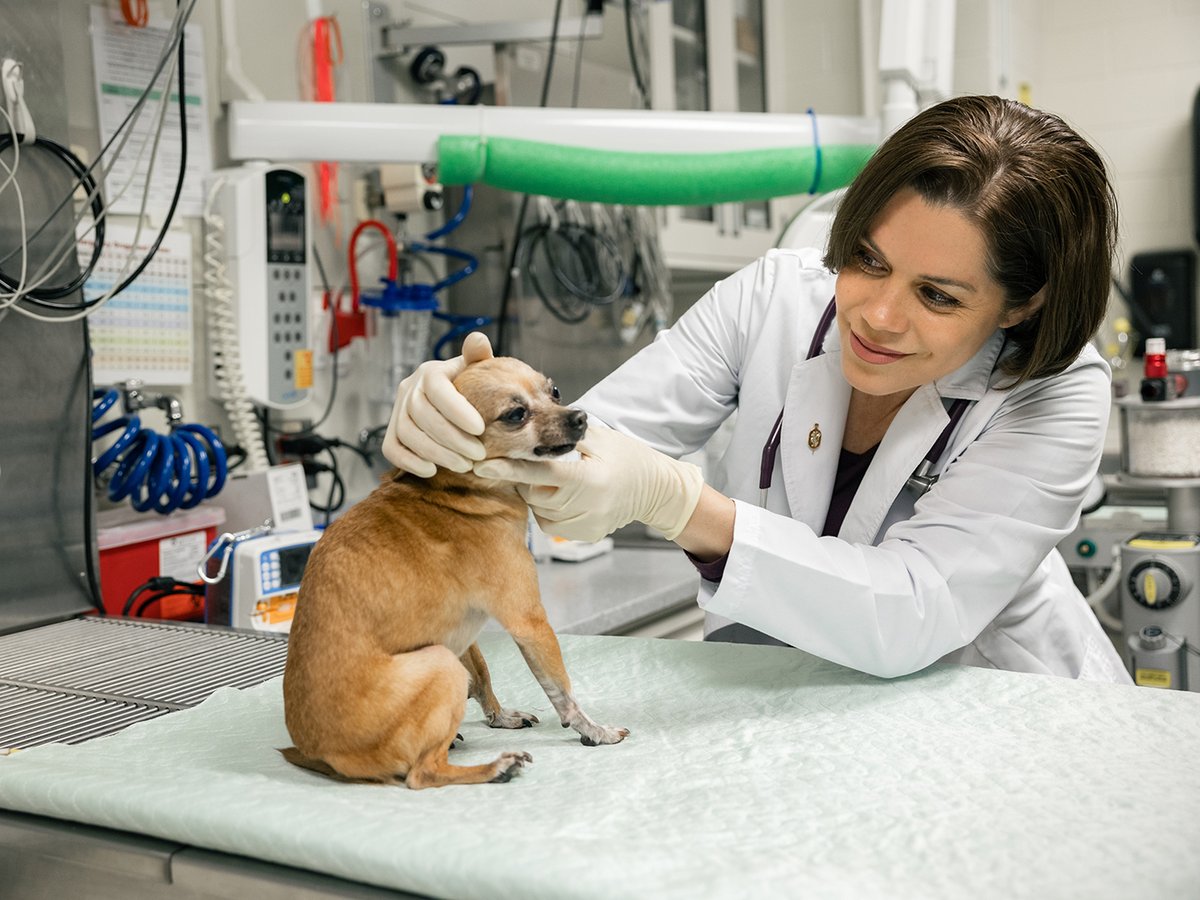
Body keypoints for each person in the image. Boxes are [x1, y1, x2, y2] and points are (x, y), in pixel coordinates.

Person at [382, 95, 1131, 684]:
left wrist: (684, 507)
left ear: (1023, 304)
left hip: (994, 710)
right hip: (782, 703)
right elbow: (590, 448)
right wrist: (459, 424)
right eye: (867, 259)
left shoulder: (1054, 395)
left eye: (936, 296)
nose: (876, 315)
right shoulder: (774, 298)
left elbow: (912, 610)